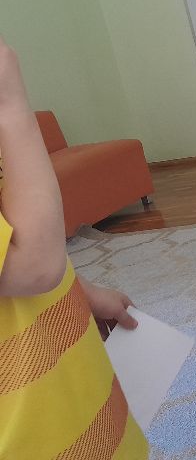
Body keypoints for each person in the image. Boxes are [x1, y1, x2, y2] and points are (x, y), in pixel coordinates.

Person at [0, 36, 147, 459]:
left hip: (79, 412)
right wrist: (10, 106)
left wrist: (82, 293)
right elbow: (32, 266)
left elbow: (13, 243)